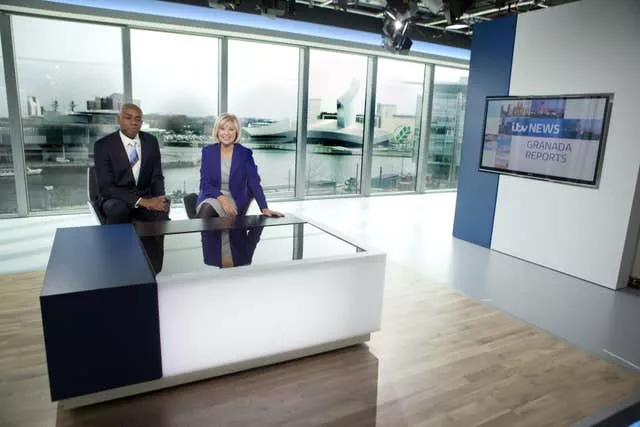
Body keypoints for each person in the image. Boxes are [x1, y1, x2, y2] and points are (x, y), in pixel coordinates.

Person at [196, 112, 283, 218]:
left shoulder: (244, 153)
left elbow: (254, 182)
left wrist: (264, 208)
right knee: (207, 208)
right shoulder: (208, 152)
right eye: (222, 129)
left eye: (231, 129)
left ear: (236, 132)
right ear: (217, 131)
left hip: (234, 198)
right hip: (211, 196)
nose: (226, 133)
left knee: (213, 222)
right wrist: (222, 199)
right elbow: (205, 184)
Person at [93, 103, 170, 224]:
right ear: (118, 119)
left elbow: (157, 176)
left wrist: (160, 197)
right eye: (128, 118)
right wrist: (142, 201)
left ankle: (153, 244)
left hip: (145, 195)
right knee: (117, 209)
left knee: (160, 214)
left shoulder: (151, 142)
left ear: (141, 122)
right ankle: (120, 243)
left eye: (137, 119)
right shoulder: (103, 145)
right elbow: (106, 188)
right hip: (115, 199)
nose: (134, 122)